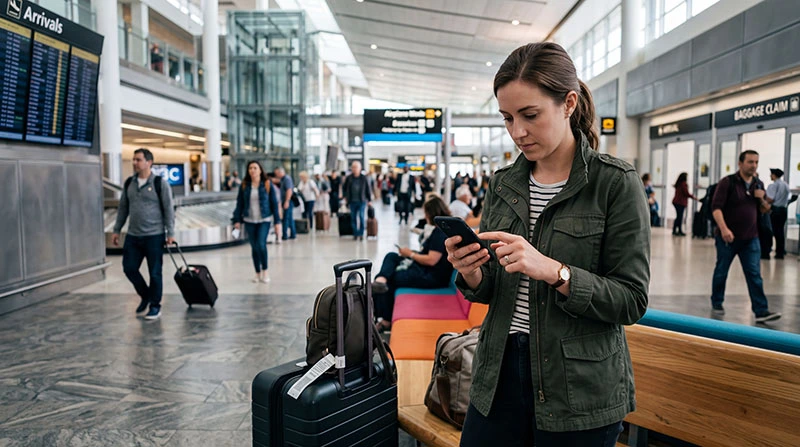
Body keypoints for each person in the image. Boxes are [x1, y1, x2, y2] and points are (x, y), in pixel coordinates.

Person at [443, 42, 650, 446]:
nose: (517, 131)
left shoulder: (614, 183)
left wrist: (555, 271)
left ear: (569, 103)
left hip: (578, 388)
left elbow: (631, 299)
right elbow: (493, 287)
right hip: (497, 373)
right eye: (507, 118)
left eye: (530, 115)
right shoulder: (504, 183)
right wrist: (471, 272)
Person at [710, 150, 781, 323]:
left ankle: (761, 310)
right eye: (750, 162)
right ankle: (717, 301)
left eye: (756, 162)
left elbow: (765, 211)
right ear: (740, 163)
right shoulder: (728, 182)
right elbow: (716, 208)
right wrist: (724, 229)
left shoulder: (758, 184)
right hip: (728, 238)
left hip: (751, 238)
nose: (754, 165)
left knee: (754, 274)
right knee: (721, 271)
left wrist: (762, 200)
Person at [372, 196, 455, 332]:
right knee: (392, 257)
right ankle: (380, 279)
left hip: (432, 277)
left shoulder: (439, 233)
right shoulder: (440, 229)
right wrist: (411, 253)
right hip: (426, 270)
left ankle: (386, 319)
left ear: (430, 213)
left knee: (393, 278)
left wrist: (410, 254)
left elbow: (431, 260)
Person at [112, 148, 176, 321]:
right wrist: (117, 229)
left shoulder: (159, 183)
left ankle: (155, 305)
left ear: (149, 162)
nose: (135, 163)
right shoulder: (129, 184)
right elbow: (123, 208)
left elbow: (169, 209)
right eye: (133, 159)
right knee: (129, 268)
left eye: (138, 160)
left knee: (155, 273)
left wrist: (170, 233)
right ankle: (146, 295)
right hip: (133, 235)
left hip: (154, 236)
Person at [232, 161, 281, 283]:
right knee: (254, 247)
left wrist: (277, 222)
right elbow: (240, 204)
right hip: (249, 220)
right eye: (250, 168)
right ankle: (257, 273)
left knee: (261, 244)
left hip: (264, 220)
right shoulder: (244, 185)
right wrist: (237, 220)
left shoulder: (267, 184)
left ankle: (265, 270)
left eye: (255, 168)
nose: (252, 170)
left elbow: (274, 204)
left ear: (260, 170)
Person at [343, 161, 372, 240]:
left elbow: (368, 189)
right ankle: (355, 233)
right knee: (353, 217)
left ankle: (361, 233)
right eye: (353, 167)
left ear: (360, 168)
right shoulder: (349, 178)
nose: (354, 169)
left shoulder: (364, 178)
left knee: (361, 216)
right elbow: (344, 188)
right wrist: (345, 196)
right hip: (352, 201)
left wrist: (369, 200)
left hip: (362, 200)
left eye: (356, 167)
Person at [766, 168, 791, 259]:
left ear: (774, 175)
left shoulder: (773, 186)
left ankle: (768, 250)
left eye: (771, 174)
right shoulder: (786, 185)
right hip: (783, 210)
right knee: (780, 231)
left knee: (771, 230)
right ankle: (780, 251)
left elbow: (770, 199)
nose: (770, 176)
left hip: (775, 210)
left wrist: (763, 198)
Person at [274, 167, 296, 240]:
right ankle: (293, 234)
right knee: (289, 218)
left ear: (280, 172)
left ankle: (285, 235)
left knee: (286, 218)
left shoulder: (287, 179)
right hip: (285, 201)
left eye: (277, 173)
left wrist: (287, 201)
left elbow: (289, 190)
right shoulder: (282, 180)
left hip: (288, 201)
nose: (276, 175)